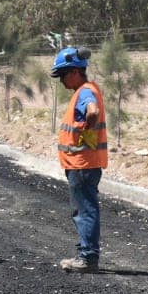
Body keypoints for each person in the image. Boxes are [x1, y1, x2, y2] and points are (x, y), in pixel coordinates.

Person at [52, 46, 108, 273]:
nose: (62, 81)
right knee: (84, 209)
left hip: (82, 164)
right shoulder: (87, 90)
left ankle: (87, 257)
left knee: (84, 210)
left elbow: (92, 112)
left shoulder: (85, 92)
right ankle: (85, 253)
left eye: (63, 75)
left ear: (75, 72)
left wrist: (86, 133)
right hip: (84, 164)